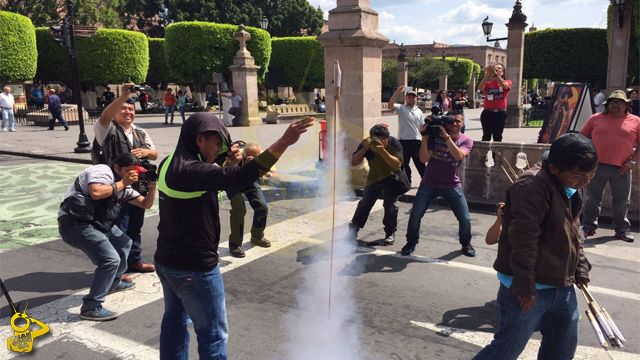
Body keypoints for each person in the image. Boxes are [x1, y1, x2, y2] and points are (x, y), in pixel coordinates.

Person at [154, 112, 312, 359]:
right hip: (195, 267)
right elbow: (240, 177)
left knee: (174, 322)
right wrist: (284, 142)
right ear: (199, 140)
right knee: (213, 335)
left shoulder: (170, 162)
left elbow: (212, 176)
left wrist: (226, 161)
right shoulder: (191, 170)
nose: (219, 150)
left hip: (167, 261)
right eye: (217, 144)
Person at [473, 133, 596, 360]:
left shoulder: (572, 183)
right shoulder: (532, 185)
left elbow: (573, 231)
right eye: (579, 175)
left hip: (561, 283)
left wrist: (580, 268)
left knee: (561, 349)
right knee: (505, 351)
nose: (586, 181)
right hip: (528, 285)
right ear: (554, 169)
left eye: (591, 174)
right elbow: (523, 238)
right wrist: (525, 286)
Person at [58, 152, 157, 321]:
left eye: (135, 171)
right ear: (116, 167)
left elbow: (145, 204)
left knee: (124, 242)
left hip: (99, 224)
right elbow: (96, 192)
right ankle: (91, 307)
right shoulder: (102, 170)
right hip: (75, 224)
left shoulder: (123, 187)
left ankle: (113, 282)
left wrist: (153, 186)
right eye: (128, 171)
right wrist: (124, 182)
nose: (132, 175)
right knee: (110, 260)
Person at [95, 83, 158, 273]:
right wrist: (122, 97)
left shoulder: (139, 132)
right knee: (117, 227)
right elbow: (104, 117)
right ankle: (117, 267)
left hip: (138, 188)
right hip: (116, 188)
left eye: (131, 108)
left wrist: (146, 152)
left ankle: (134, 260)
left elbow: (154, 154)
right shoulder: (106, 130)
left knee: (135, 226)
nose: (127, 111)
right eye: (123, 108)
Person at [401, 109, 475, 257]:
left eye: (457, 121)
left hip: (452, 185)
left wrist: (446, 137)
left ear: (463, 123)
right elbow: (423, 159)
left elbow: (459, 155)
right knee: (415, 215)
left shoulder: (466, 140)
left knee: (464, 218)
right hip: (429, 183)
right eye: (450, 120)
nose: (454, 123)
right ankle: (411, 242)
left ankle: (466, 243)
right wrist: (425, 137)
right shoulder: (434, 138)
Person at [580, 90, 640, 243]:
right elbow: (581, 137)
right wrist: (587, 156)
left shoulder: (636, 121)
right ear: (607, 104)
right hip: (596, 166)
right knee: (592, 199)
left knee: (622, 201)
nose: (615, 104)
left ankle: (621, 229)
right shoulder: (596, 118)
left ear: (626, 104)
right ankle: (588, 226)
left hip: (622, 168)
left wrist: (632, 162)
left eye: (619, 102)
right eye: (612, 101)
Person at [345, 124, 403, 245]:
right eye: (374, 139)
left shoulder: (394, 143)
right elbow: (354, 162)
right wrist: (364, 149)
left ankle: (390, 232)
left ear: (387, 138)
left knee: (391, 206)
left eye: (382, 139)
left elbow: (397, 164)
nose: (377, 142)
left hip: (391, 178)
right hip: (374, 177)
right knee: (365, 203)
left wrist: (382, 151)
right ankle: (353, 230)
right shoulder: (367, 143)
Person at [222, 142, 273, 258]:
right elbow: (224, 169)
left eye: (257, 156)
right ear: (244, 153)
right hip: (233, 181)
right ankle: (235, 244)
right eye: (253, 157)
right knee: (239, 209)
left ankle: (257, 236)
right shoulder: (234, 154)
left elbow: (268, 172)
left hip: (249, 181)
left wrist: (256, 167)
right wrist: (242, 166)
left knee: (262, 206)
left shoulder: (258, 155)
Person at [388, 86, 425, 184]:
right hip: (403, 140)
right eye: (409, 97)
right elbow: (390, 105)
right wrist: (397, 92)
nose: (411, 99)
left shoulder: (419, 111)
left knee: (420, 163)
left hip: (416, 140)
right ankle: (407, 181)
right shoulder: (401, 108)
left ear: (416, 98)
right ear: (406, 98)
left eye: (413, 97)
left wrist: (424, 140)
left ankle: (426, 181)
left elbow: (422, 127)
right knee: (404, 164)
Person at [478, 63, 511, 141]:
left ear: (503, 72)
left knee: (497, 137)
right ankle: (483, 153)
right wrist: (486, 75)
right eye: (495, 68)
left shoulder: (507, 81)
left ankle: (496, 153)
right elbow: (480, 88)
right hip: (487, 113)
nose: (496, 70)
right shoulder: (488, 83)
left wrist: (496, 75)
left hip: (500, 113)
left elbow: (505, 86)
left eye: (499, 68)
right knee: (486, 136)